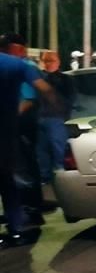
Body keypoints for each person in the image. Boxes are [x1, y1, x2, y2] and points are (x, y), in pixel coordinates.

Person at [0, 34, 59, 247]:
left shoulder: (17, 64)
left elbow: (31, 97)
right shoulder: (19, 66)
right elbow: (44, 91)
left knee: (15, 176)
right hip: (12, 131)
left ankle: (23, 218)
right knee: (12, 178)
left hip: (13, 131)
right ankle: (17, 225)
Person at [36, 51, 76, 186]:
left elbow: (69, 100)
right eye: (45, 61)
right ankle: (45, 178)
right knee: (42, 151)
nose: (48, 64)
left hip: (56, 119)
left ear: (58, 62)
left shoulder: (64, 79)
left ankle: (60, 179)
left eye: (51, 61)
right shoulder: (40, 77)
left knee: (58, 149)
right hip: (41, 118)